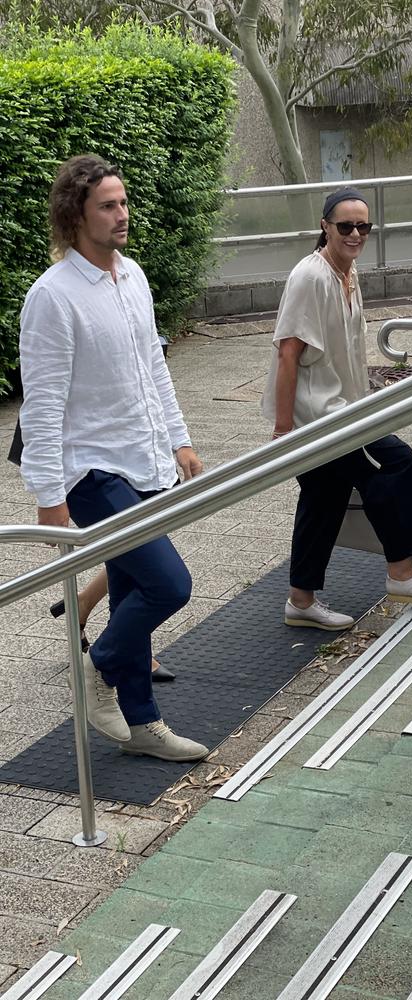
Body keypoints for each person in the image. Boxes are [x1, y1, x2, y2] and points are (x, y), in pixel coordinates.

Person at [19, 154, 206, 760]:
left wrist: (178, 438)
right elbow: (42, 406)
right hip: (92, 470)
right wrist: (49, 500)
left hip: (144, 457)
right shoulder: (54, 296)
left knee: (130, 589)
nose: (122, 214)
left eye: (123, 202)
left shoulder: (134, 277)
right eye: (108, 205)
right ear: (76, 215)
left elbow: (154, 368)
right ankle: (100, 666)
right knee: (169, 585)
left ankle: (144, 726)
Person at [261, 186, 412, 629]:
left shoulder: (347, 273)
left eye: (363, 226)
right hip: (321, 417)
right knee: (395, 462)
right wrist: (282, 430)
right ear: (325, 227)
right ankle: (403, 572)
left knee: (324, 497)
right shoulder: (310, 277)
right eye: (345, 225)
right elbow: (288, 351)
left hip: (342, 409)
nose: (355, 233)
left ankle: (300, 600)